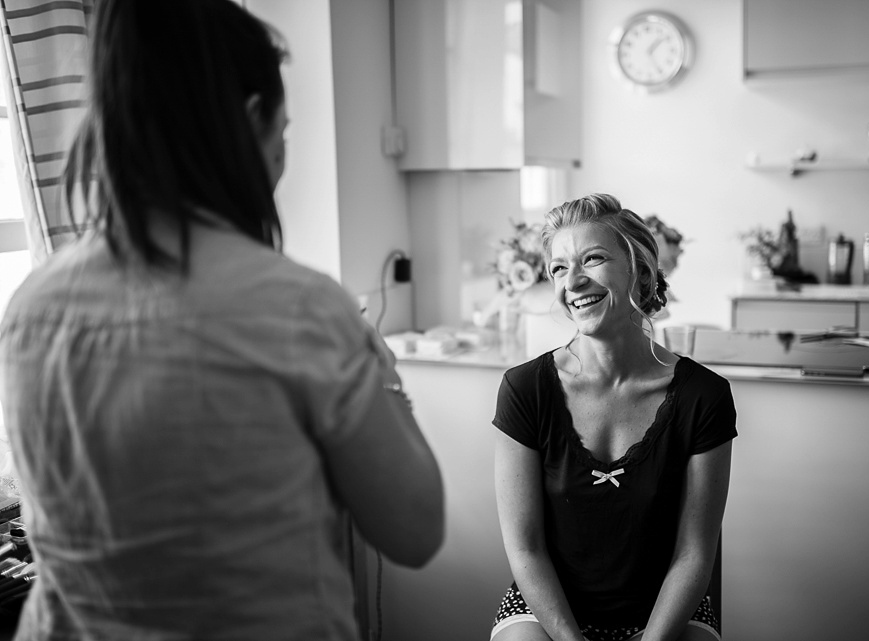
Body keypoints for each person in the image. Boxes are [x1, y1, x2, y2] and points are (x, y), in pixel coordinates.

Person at [0, 1, 444, 639]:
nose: (281, 160)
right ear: (250, 122)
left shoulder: (30, 306)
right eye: (284, 134)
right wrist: (379, 366)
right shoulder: (298, 308)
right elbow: (415, 529)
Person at [490, 194, 736, 641]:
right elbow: (525, 548)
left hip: (665, 605)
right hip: (548, 608)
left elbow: (694, 553)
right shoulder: (525, 389)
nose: (574, 281)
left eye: (593, 259)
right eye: (559, 268)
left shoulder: (704, 396)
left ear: (640, 271)